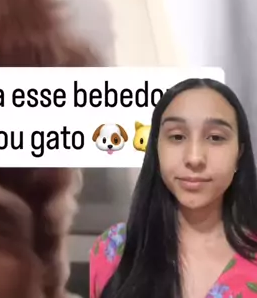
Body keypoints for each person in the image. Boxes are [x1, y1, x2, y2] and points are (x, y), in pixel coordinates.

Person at [90, 78, 257, 298]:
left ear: (239, 154)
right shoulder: (113, 249)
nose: (194, 158)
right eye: (177, 136)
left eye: (215, 138)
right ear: (157, 148)